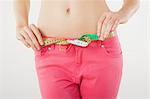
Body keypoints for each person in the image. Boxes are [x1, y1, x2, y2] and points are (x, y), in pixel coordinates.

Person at [13, 0, 140, 99]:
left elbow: (133, 1)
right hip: (51, 53)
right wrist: (20, 24)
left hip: (100, 50)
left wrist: (122, 14)